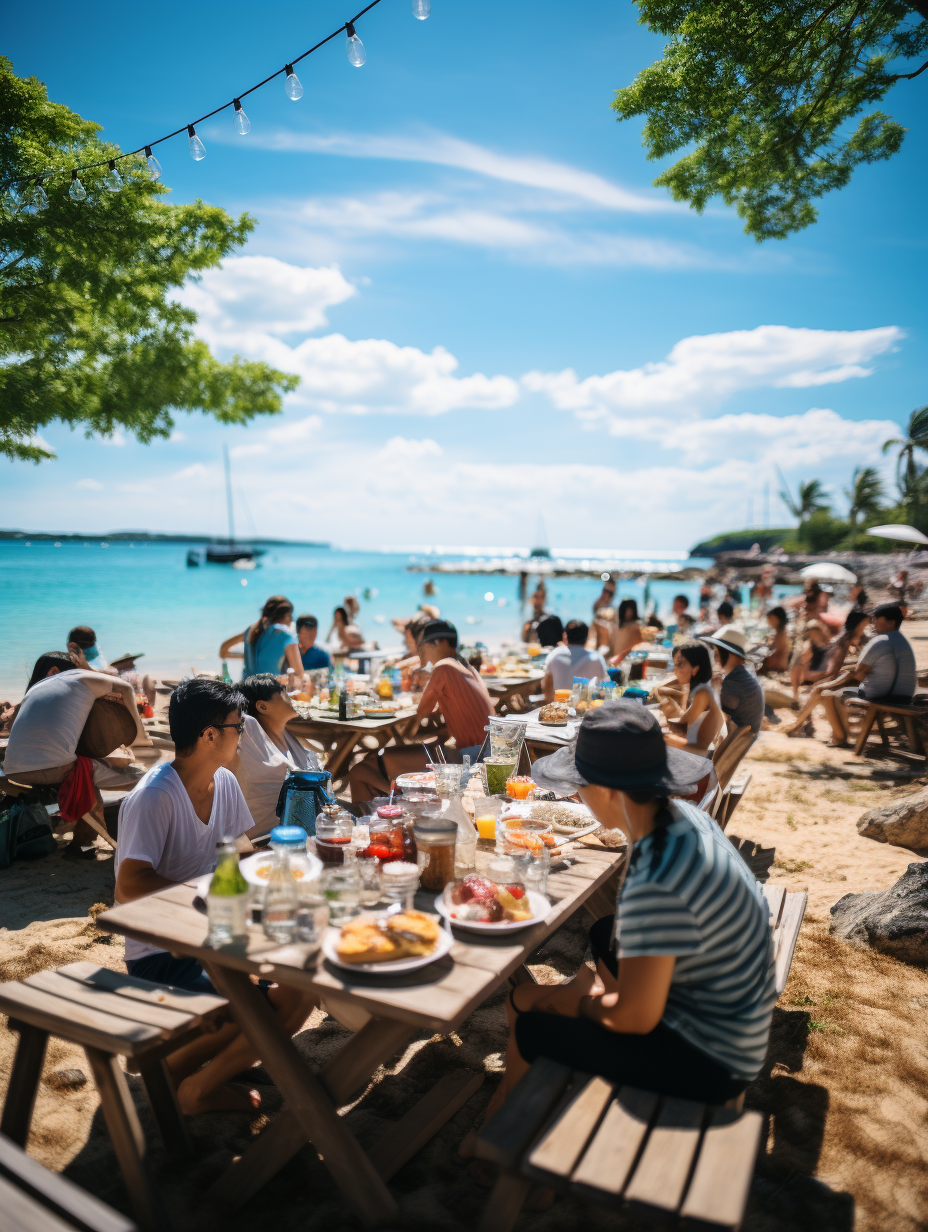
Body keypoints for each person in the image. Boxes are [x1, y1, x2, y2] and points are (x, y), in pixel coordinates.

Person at [463, 704, 775, 1148]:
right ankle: (516, 1115)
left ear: (607, 789)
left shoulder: (658, 878)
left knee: (532, 1023)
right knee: (598, 935)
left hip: (708, 1060)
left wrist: (590, 1002)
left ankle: (508, 1145)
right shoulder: (687, 821)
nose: (576, 796)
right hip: (734, 1017)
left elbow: (634, 1017)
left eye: (579, 786)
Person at [114, 678, 316, 1115]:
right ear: (210, 735)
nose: (244, 735)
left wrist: (290, 859)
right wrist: (209, 894)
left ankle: (202, 1072)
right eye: (239, 727)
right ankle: (182, 1081)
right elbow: (129, 886)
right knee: (265, 1002)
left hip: (216, 937)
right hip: (165, 951)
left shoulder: (223, 781)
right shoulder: (154, 796)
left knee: (301, 991)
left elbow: (241, 852)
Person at [4, 662, 150, 856]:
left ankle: (72, 832)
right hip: (55, 765)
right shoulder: (87, 677)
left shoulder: (37, 688)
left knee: (83, 770)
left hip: (13, 768)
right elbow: (126, 688)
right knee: (131, 778)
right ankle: (83, 843)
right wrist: (139, 736)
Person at [347, 619, 496, 802]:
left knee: (361, 770)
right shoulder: (467, 667)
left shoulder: (444, 667)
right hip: (484, 753)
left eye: (422, 645)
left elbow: (422, 711)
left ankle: (402, 799)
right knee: (372, 761)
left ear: (439, 643)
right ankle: (392, 803)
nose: (420, 651)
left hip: (469, 759)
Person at [234, 674, 323, 837]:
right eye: (283, 693)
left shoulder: (286, 737)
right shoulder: (251, 746)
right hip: (266, 840)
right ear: (262, 707)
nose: (291, 696)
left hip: (301, 831)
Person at [819, 604, 917, 748]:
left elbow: (859, 673)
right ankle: (844, 737)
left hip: (881, 696)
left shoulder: (880, 640)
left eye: (878, 619)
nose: (874, 622)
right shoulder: (903, 641)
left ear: (891, 622)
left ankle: (839, 739)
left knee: (832, 695)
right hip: (905, 696)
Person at [783, 610, 870, 738]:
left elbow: (833, 670)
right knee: (814, 688)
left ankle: (798, 724)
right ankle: (800, 723)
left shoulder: (848, 641)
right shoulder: (846, 641)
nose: (865, 629)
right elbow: (835, 667)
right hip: (844, 677)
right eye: (864, 626)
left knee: (817, 691)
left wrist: (819, 678)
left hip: (846, 679)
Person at [658, 643, 725, 754]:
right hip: (699, 751)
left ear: (695, 669)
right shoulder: (706, 688)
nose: (675, 671)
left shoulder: (703, 693)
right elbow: (685, 724)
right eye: (675, 665)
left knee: (656, 738)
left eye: (680, 665)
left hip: (699, 755)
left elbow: (681, 726)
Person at [698, 627, 764, 736]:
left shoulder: (734, 683)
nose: (715, 660)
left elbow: (717, 716)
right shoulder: (741, 676)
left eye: (717, 654)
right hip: (738, 741)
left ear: (729, 654)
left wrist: (715, 689)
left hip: (733, 743)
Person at [219, 595, 303, 680]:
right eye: (291, 615)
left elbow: (223, 651)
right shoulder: (285, 636)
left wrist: (246, 656)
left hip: (245, 689)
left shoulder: (251, 631)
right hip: (268, 689)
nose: (292, 619)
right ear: (287, 615)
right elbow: (300, 675)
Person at [541, 621, 608, 701]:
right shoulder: (596, 658)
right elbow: (604, 687)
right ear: (587, 638)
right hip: (585, 708)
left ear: (565, 636)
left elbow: (546, 684)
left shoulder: (554, 655)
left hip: (559, 707)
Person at [609, 599, 643, 666]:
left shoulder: (618, 627)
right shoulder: (635, 627)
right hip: (623, 661)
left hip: (623, 661)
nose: (629, 613)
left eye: (630, 610)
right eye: (627, 610)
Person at [759, 606, 791, 675]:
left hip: (778, 670)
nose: (769, 622)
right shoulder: (780, 632)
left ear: (777, 619)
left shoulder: (781, 634)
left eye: (771, 619)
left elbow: (777, 654)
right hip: (777, 669)